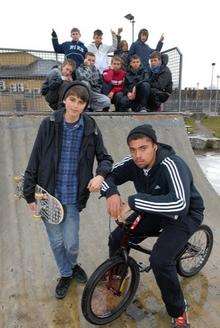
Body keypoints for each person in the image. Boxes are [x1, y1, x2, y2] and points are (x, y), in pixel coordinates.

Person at [101, 124, 204, 328]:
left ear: (155, 146)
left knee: (160, 260)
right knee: (117, 237)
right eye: (133, 149)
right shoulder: (133, 162)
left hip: (183, 215)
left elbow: (179, 204)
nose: (137, 155)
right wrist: (111, 192)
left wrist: (133, 201)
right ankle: (118, 272)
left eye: (143, 148)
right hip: (153, 209)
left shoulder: (172, 164)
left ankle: (179, 310)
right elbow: (108, 176)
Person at [23, 81, 113, 299]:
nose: (75, 105)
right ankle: (66, 273)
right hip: (48, 195)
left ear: (85, 105)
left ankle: (72, 265)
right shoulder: (49, 124)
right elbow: (35, 159)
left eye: (81, 102)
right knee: (56, 242)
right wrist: (29, 195)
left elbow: (105, 158)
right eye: (72, 99)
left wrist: (100, 174)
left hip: (73, 196)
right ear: (64, 99)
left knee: (71, 243)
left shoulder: (90, 127)